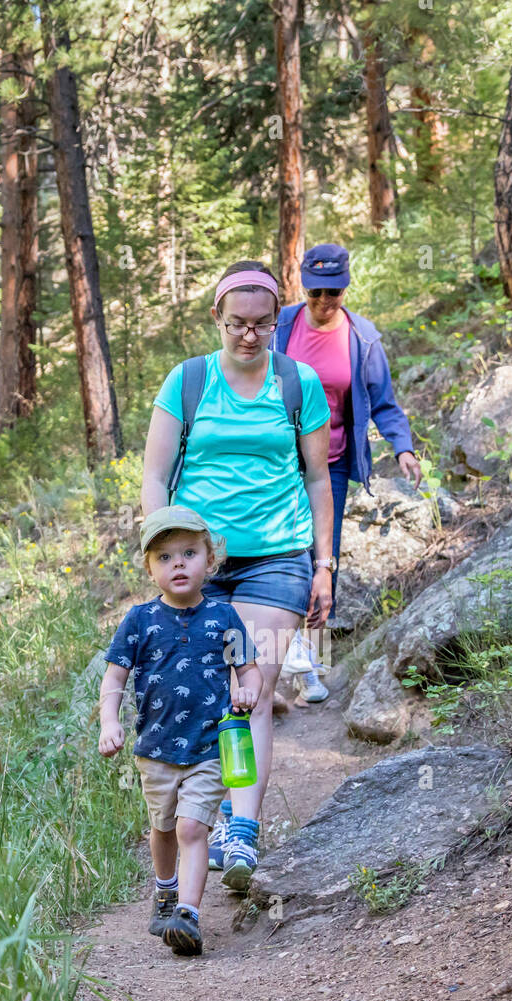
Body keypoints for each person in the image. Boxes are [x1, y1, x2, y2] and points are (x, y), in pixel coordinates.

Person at [140, 260, 334, 891]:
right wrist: (162, 552)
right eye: (237, 325)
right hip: (200, 565)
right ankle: (222, 811)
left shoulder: (299, 384)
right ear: (217, 320)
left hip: (279, 557)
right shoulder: (188, 381)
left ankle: (243, 829)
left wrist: (324, 565)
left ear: (278, 320)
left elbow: (317, 479)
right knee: (212, 692)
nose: (250, 336)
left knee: (253, 684)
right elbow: (155, 475)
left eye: (262, 325)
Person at [98, 505, 262, 956]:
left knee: (192, 828)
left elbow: (250, 672)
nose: (178, 564)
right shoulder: (139, 620)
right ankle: (165, 890)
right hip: (154, 749)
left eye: (189, 553)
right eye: (165, 557)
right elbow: (113, 680)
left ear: (210, 560)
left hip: (210, 746)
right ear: (150, 569)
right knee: (163, 827)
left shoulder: (224, 617)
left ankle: (188, 914)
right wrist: (109, 724)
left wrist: (247, 692)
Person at [273, 242, 422, 702]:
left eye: (332, 293)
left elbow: (383, 403)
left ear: (345, 288)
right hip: (275, 461)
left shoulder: (362, 339)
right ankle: (272, 669)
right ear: (303, 286)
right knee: (273, 553)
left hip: (331, 462)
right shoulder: (280, 327)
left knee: (323, 557)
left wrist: (403, 449)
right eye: (315, 292)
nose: (322, 302)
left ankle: (312, 667)